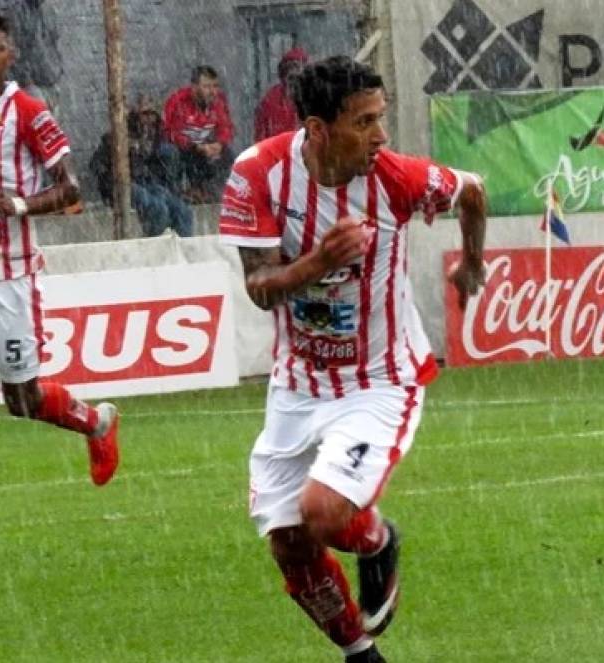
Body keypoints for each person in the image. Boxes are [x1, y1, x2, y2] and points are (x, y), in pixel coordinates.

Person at [219, 56, 486, 662]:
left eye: (382, 118)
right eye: (365, 122)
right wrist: (319, 261)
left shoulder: (396, 179)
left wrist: (471, 261)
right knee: (289, 541)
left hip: (379, 380)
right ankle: (361, 654)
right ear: (317, 129)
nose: (381, 136)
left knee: (322, 511)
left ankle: (375, 540)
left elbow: (473, 190)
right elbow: (260, 288)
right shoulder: (257, 174)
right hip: (297, 384)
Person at [0, 10, 119, 485]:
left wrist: (14, 203)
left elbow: (72, 188)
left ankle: (96, 424)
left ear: (10, 57)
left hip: (11, 276)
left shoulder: (29, 112)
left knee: (22, 400)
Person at [91, 96, 194, 237]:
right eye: (145, 114)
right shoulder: (115, 136)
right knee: (157, 208)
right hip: (120, 184)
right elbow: (96, 165)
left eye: (152, 114)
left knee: (183, 211)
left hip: (145, 182)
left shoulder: (153, 135)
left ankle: (183, 249)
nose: (149, 119)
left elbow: (154, 162)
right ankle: (154, 244)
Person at [163, 65, 234, 202]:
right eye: (207, 87)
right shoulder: (178, 101)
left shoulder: (218, 102)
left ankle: (211, 193)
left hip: (206, 146)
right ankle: (177, 195)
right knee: (170, 153)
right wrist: (195, 145)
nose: (212, 91)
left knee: (227, 154)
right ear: (194, 87)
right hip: (182, 148)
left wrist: (219, 143)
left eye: (215, 86)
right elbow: (170, 132)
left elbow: (226, 127)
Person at [253, 47, 308, 142]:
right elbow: (261, 131)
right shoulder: (271, 99)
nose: (293, 73)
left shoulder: (312, 96)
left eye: (297, 67)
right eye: (290, 68)